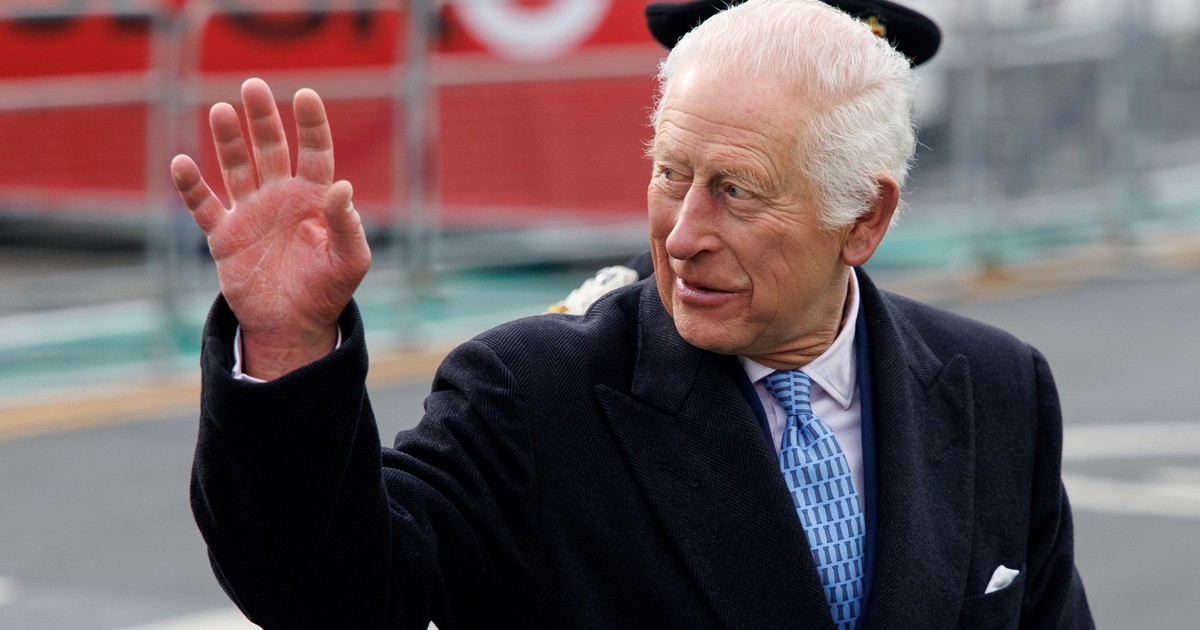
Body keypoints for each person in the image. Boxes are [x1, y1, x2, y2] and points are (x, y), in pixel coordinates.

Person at [172, 0, 1093, 627]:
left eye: (736, 191)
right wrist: (289, 348)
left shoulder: (999, 388)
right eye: (670, 175)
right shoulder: (532, 393)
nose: (683, 236)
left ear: (865, 218)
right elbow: (333, 593)